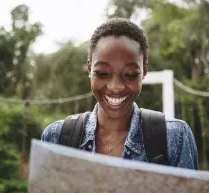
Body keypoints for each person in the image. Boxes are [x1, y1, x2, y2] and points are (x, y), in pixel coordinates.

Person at [41, 18, 198, 170]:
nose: (115, 87)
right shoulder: (56, 138)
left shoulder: (175, 138)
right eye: (103, 73)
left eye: (129, 74)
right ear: (90, 68)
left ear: (144, 71)